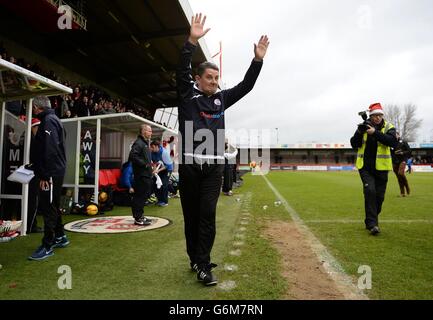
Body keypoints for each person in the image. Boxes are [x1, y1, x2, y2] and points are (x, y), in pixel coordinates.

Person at [176, 13, 269, 285]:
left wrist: (258, 60)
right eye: (209, 77)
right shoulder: (187, 97)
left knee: (207, 215)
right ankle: (194, 257)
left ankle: (204, 264)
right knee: (191, 218)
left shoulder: (221, 99)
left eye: (217, 77)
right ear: (198, 78)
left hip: (214, 168)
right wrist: (191, 41)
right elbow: (180, 70)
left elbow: (247, 86)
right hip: (189, 167)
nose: (215, 81)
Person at [28, 96, 69, 260]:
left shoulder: (49, 121)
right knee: (54, 204)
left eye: (33, 108)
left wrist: (45, 174)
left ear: (38, 107)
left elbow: (50, 149)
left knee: (49, 206)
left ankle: (48, 245)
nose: (32, 110)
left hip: (51, 173)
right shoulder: (54, 119)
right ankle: (60, 236)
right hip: (53, 171)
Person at [350, 103, 397, 235]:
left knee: (379, 198)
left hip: (382, 168)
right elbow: (354, 144)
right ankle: (372, 225)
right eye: (375, 115)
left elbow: (392, 142)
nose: (377, 118)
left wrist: (374, 133)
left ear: (382, 116)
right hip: (365, 167)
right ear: (370, 116)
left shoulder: (389, 127)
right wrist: (360, 132)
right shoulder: (364, 126)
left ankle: (370, 219)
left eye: (379, 115)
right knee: (370, 191)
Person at [129, 124, 154, 226]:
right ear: (144, 131)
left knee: (143, 196)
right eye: (150, 131)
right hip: (141, 175)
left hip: (145, 175)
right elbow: (132, 156)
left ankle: (140, 216)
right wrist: (145, 164)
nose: (151, 133)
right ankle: (138, 218)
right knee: (139, 196)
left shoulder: (144, 143)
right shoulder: (139, 143)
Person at [27, 118, 43, 234]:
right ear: (32, 127)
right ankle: (31, 226)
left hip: (28, 174)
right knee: (33, 200)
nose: (39, 129)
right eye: (37, 127)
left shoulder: (31, 139)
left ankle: (30, 225)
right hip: (31, 174)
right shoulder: (32, 140)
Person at [150, 140, 173, 207]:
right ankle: (159, 200)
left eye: (153, 147)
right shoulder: (152, 152)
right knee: (155, 183)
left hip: (167, 170)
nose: (151, 149)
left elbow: (167, 166)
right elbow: (154, 162)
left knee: (164, 184)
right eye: (151, 147)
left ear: (157, 146)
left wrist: (158, 170)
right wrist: (154, 170)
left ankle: (165, 201)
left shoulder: (164, 153)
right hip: (159, 169)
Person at [391, 132, 411, 197]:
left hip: (403, 160)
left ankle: (407, 186)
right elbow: (390, 152)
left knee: (401, 173)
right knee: (398, 177)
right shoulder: (391, 143)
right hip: (395, 161)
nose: (395, 136)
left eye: (396, 135)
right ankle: (402, 193)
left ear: (398, 135)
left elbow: (409, 151)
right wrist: (394, 153)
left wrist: (402, 152)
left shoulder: (403, 142)